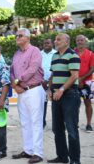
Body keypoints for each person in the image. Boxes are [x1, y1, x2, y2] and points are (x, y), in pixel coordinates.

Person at [11, 28, 44, 164]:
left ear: (28, 38)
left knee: (36, 121)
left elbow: (32, 69)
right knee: (25, 122)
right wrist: (15, 85)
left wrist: (18, 81)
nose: (17, 37)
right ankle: (28, 150)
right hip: (21, 91)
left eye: (20, 35)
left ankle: (38, 153)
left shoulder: (34, 51)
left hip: (34, 89)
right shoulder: (17, 54)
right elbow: (12, 71)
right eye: (16, 35)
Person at [47, 33, 81, 164]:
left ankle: (75, 160)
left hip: (69, 96)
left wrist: (61, 90)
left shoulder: (73, 55)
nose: (56, 41)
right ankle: (62, 157)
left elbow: (74, 76)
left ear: (67, 42)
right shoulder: (54, 56)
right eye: (55, 39)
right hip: (56, 96)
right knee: (57, 128)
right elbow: (53, 75)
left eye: (59, 39)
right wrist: (49, 89)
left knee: (72, 129)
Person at [75, 35, 94, 132]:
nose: (80, 42)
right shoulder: (72, 53)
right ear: (76, 42)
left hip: (87, 82)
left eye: (81, 40)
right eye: (78, 40)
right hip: (73, 82)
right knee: (74, 104)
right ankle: (75, 124)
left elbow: (92, 69)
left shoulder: (90, 54)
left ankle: (89, 124)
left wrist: (81, 79)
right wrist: (76, 79)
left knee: (88, 103)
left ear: (85, 41)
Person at [41, 39, 57, 128]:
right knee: (42, 104)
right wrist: (42, 80)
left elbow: (56, 69)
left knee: (55, 104)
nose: (46, 44)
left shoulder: (56, 54)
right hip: (41, 83)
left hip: (54, 82)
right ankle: (42, 122)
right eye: (44, 43)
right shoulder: (39, 54)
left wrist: (49, 81)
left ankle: (56, 123)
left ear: (52, 44)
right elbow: (37, 68)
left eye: (48, 43)